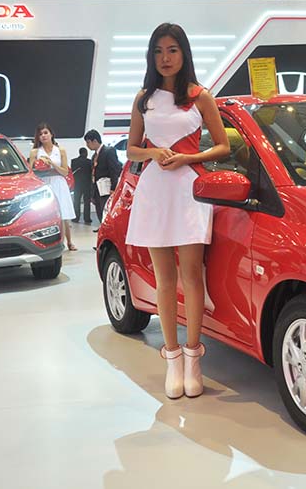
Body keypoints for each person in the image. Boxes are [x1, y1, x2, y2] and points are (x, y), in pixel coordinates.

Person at [125, 23, 229, 399]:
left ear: (184, 53)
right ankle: (171, 358)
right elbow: (131, 149)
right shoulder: (144, 98)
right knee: (164, 280)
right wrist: (153, 152)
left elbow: (222, 147)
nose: (165, 58)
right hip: (155, 191)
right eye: (158, 51)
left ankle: (193, 357)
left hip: (189, 191)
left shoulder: (201, 96)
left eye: (172, 50)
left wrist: (189, 157)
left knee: (192, 276)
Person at [28, 123, 77, 251]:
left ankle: (69, 242)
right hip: (43, 183)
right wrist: (39, 164)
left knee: (63, 214)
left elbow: (65, 172)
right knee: (44, 214)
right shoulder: (35, 152)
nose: (43, 136)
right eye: (40, 134)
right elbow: (30, 171)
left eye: (45, 133)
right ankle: (47, 242)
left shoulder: (60, 150)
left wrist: (52, 164)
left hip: (59, 183)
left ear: (51, 134)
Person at [84, 129, 121, 229]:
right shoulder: (94, 156)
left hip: (106, 188)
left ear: (95, 141)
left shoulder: (109, 151)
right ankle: (103, 230)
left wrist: (113, 188)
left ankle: (109, 231)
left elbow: (114, 170)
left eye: (88, 142)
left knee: (107, 211)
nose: (87, 145)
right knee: (99, 211)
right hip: (97, 189)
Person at [70, 147, 92, 224]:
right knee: (87, 202)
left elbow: (72, 172)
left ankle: (76, 218)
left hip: (77, 184)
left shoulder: (74, 161)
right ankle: (87, 218)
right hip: (87, 184)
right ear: (86, 153)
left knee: (76, 201)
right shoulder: (89, 162)